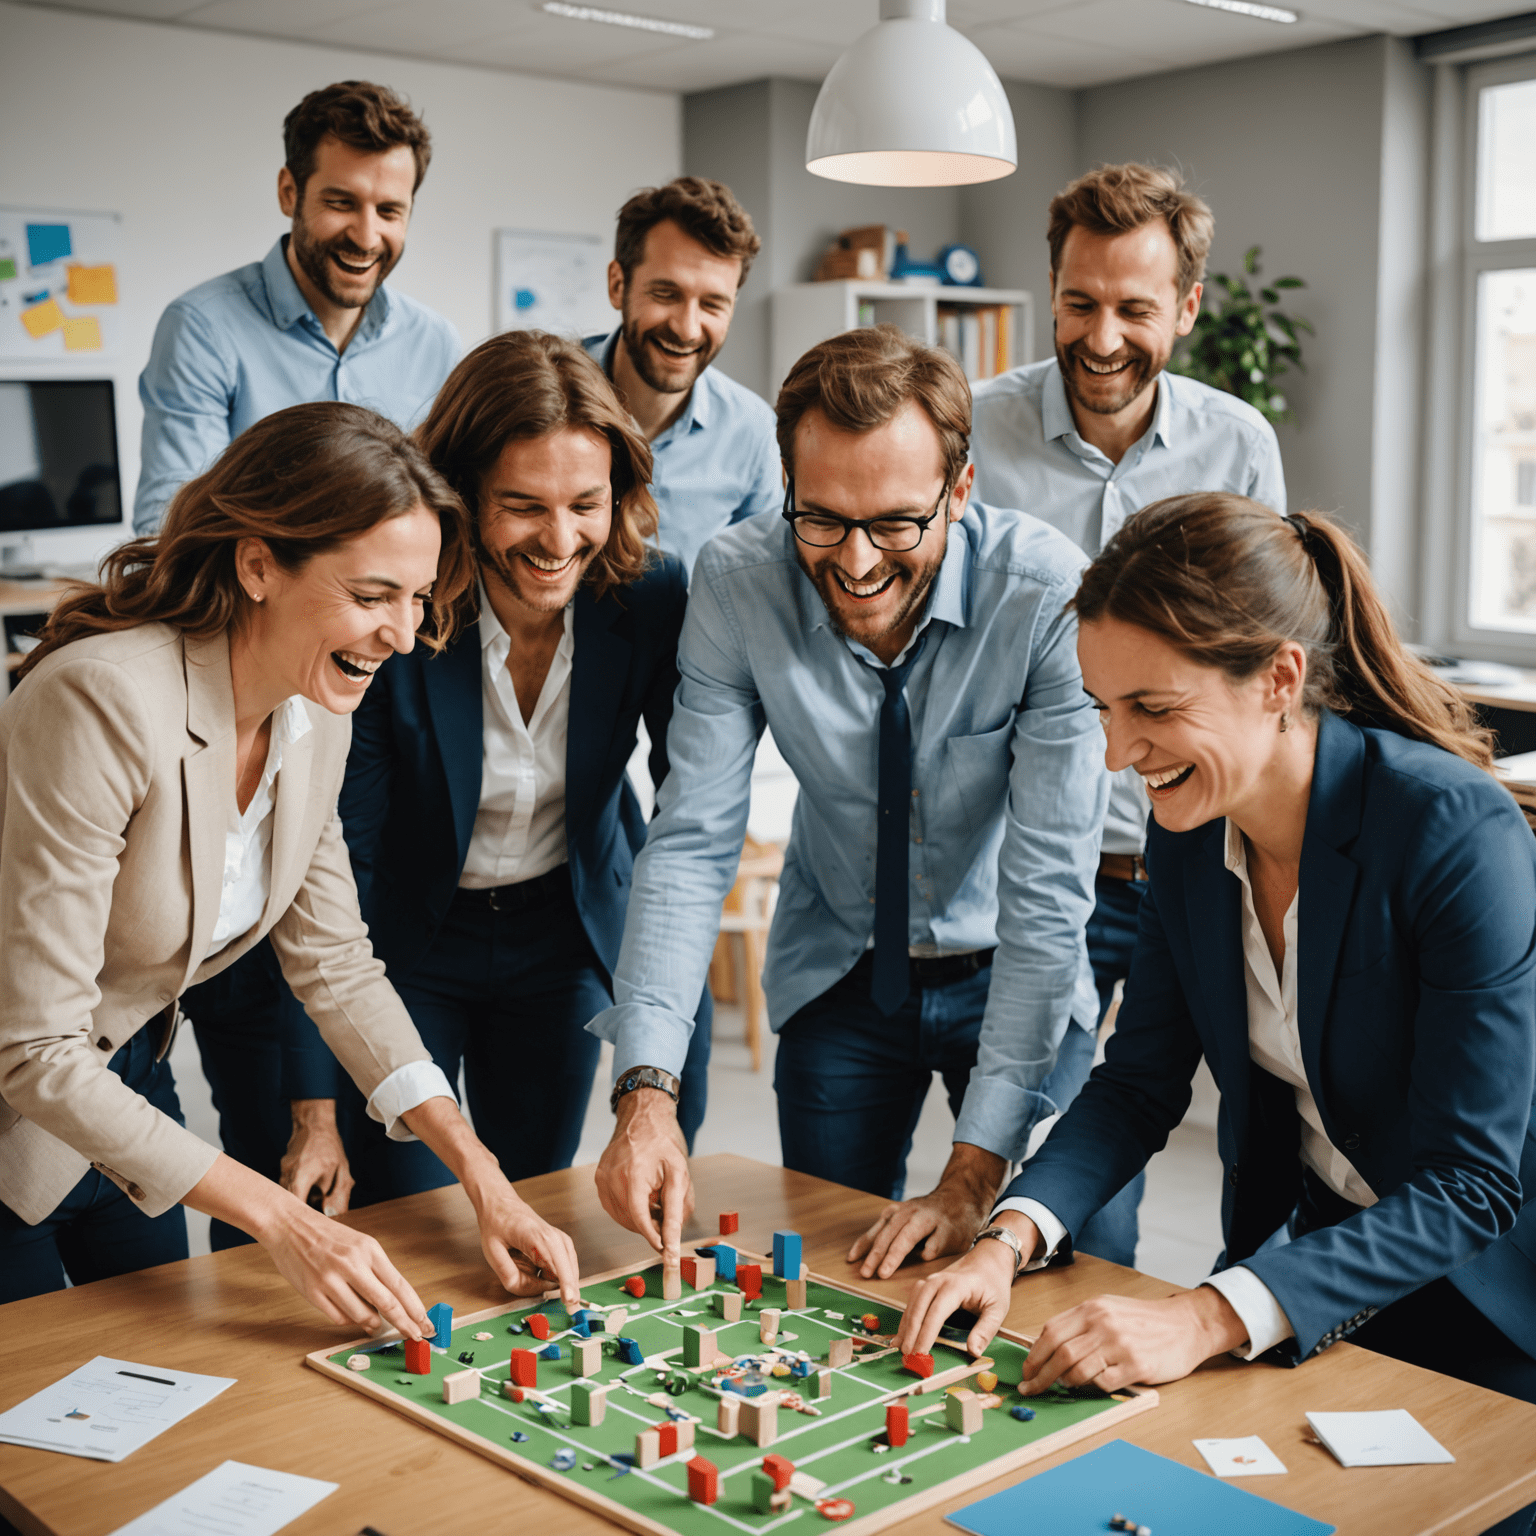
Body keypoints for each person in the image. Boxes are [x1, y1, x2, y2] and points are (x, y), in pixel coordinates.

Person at [897, 494, 1536, 1536]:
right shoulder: (1191, 830)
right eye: (1105, 710)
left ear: (1279, 680)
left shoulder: (1452, 830)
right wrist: (1006, 1237)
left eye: (1152, 709)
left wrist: (1205, 1312)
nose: (1118, 755)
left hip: (1499, 1307)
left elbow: (1470, 1185)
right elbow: (1138, 1080)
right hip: (1321, 1274)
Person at [0, 402, 580, 1322]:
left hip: (123, 1089)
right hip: (20, 1099)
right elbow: (34, 1048)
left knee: (163, 1392)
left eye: (418, 597)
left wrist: (484, 1178)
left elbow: (338, 966)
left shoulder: (315, 717)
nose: (403, 634)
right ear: (259, 563)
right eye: (372, 594)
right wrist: (283, 1221)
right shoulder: (101, 702)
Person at [591, 325, 1107, 1278]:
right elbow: (692, 841)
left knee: (1067, 1259)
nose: (857, 562)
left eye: (895, 525)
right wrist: (647, 1090)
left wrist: (971, 1179)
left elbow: (1046, 898)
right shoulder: (738, 584)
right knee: (833, 1266)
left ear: (959, 491)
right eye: (821, 518)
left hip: (1016, 962)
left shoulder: (1044, 596)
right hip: (840, 964)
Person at [133, 80, 461, 1244]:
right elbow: (168, 531)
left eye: (390, 208)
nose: (365, 234)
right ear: (290, 194)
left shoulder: (435, 349)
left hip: (360, 718)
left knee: (334, 958)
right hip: (235, 701)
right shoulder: (207, 326)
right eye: (340, 202)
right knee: (250, 1054)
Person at [296, 330, 711, 1211]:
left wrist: (660, 1069)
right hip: (407, 939)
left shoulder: (649, 597)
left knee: (530, 1198)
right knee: (407, 1211)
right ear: (463, 496)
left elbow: (693, 825)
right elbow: (340, 853)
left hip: (559, 935)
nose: (560, 540)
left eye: (585, 504)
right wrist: (312, 1098)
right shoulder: (401, 611)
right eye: (523, 505)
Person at [967, 163, 1288, 1266]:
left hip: (1199, 863)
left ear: (1186, 309)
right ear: (1049, 290)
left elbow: (1260, 657)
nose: (1101, 337)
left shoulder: (1239, 446)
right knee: (1073, 1184)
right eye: (1079, 301)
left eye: (1134, 309)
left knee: (1260, 1148)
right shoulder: (976, 433)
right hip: (1047, 870)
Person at [584, 176, 781, 577]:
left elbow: (761, 580)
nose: (688, 329)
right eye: (666, 294)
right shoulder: (541, 392)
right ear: (618, 285)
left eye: (712, 304)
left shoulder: (752, 429)